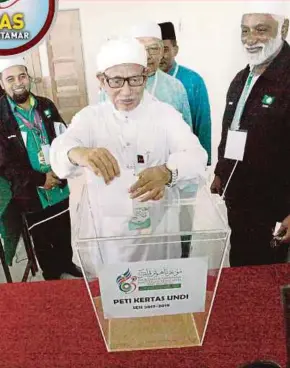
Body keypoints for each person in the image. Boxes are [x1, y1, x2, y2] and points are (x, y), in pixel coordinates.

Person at [50, 37, 207, 265]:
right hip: (109, 237)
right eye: (116, 81)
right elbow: (59, 152)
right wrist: (79, 152)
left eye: (135, 80)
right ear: (101, 81)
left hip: (157, 232)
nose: (126, 91)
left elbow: (197, 155)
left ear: (145, 76)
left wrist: (167, 172)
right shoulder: (90, 118)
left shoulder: (164, 114)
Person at [210, 4, 290, 266]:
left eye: (261, 30)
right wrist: (222, 171)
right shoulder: (242, 77)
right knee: (243, 271)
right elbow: (230, 128)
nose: (250, 39)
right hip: (241, 198)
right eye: (245, 31)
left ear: (284, 29)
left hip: (278, 206)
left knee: (272, 283)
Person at [0, 57, 82, 280]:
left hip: (58, 180)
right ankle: (52, 274)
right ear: (2, 83)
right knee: (42, 236)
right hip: (31, 189)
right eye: (10, 79)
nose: (18, 82)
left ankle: (67, 263)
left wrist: (59, 170)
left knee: (64, 226)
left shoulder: (45, 105)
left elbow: (62, 136)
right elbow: (5, 162)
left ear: (29, 78)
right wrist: (40, 179)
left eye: (22, 76)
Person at [158, 21, 212, 165]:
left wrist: (204, 163)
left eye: (166, 49)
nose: (161, 56)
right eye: (156, 50)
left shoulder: (193, 80)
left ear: (175, 50)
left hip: (183, 158)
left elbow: (203, 123)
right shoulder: (143, 80)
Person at [128, 21, 192, 128]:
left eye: (153, 49)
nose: (147, 56)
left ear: (162, 51)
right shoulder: (114, 87)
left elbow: (187, 132)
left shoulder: (176, 87)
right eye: (141, 50)